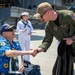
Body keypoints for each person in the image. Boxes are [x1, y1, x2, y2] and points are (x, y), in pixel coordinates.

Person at [33, 2, 75, 75]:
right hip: (67, 50)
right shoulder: (48, 26)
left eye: (41, 16)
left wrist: (73, 38)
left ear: (48, 12)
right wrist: (38, 50)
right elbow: (47, 41)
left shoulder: (68, 15)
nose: (40, 19)